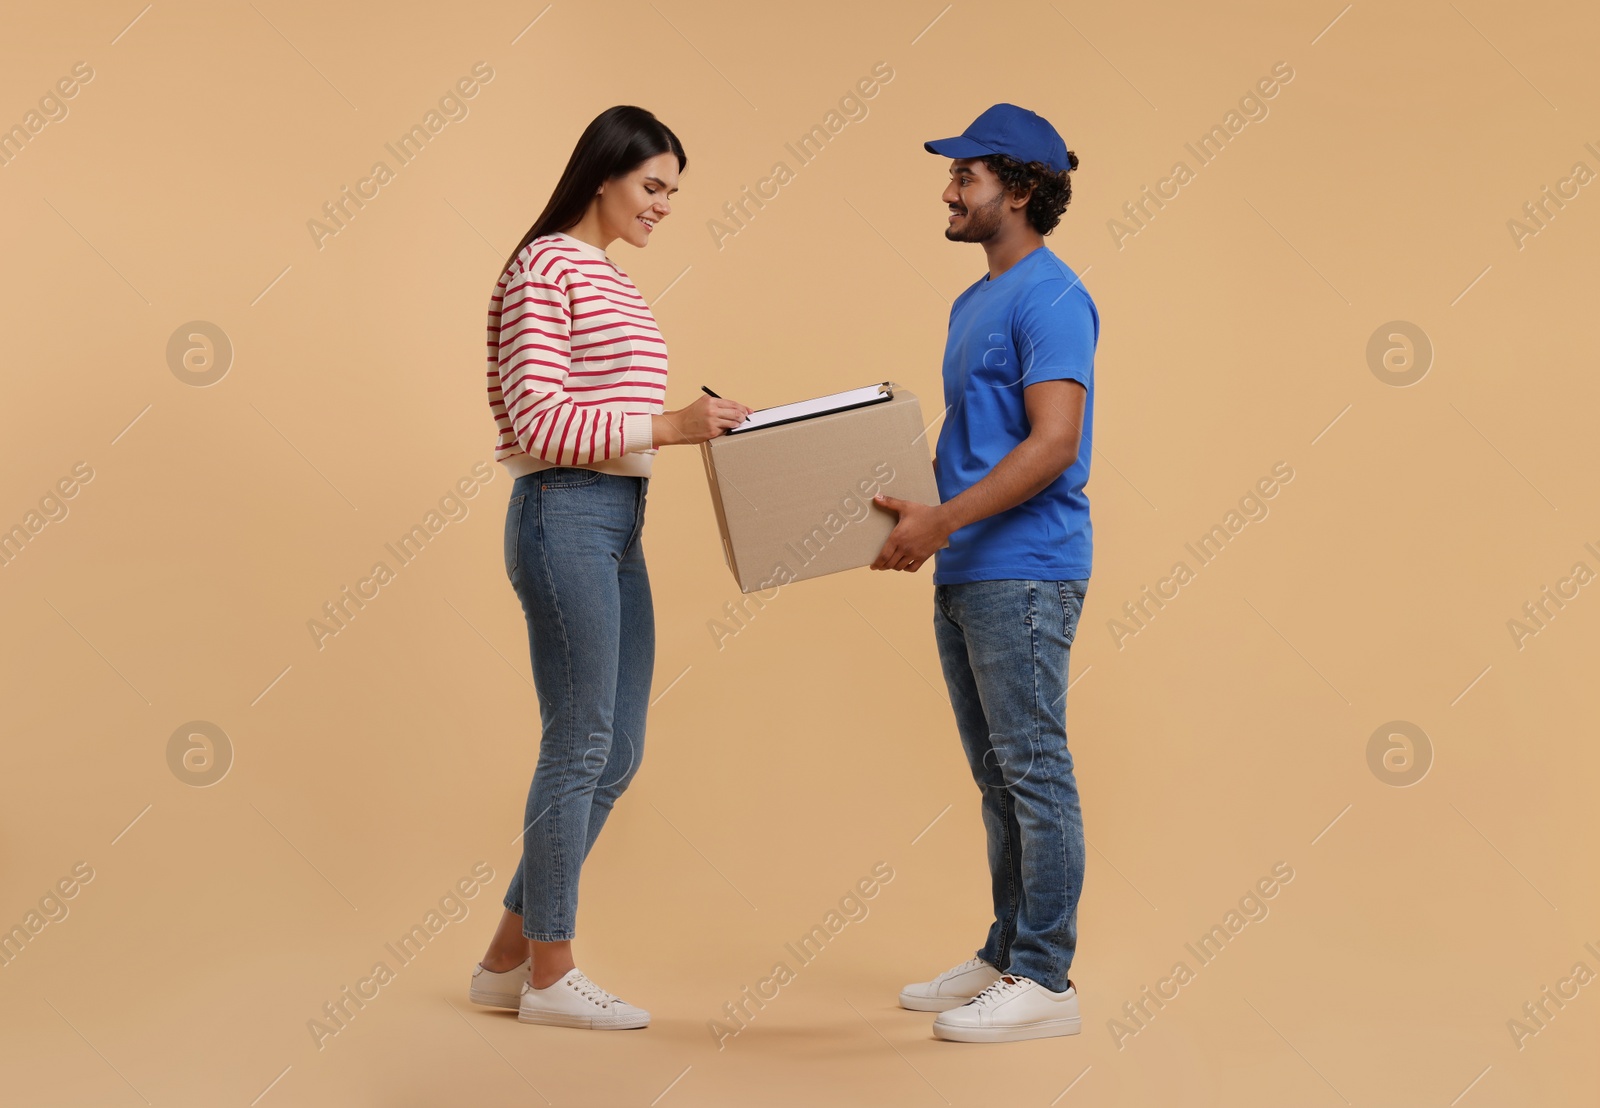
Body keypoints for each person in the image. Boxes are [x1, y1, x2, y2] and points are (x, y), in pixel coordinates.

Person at [470, 105, 751, 1030]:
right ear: (604, 174)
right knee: (580, 742)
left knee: (616, 749)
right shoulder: (543, 267)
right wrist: (670, 425)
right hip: (564, 513)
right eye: (652, 185)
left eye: (674, 191)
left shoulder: (610, 279)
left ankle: (506, 957)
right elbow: (542, 423)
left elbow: (601, 410)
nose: (664, 206)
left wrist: (690, 425)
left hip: (620, 519)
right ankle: (551, 974)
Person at [871, 103, 1099, 1043]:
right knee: (998, 776)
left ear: (1023, 189)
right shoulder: (975, 302)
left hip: (1027, 570)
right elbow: (978, 445)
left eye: (966, 176)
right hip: (965, 569)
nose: (949, 190)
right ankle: (1008, 952)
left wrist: (945, 521)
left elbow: (1053, 445)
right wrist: (897, 497)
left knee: (1035, 772)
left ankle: (1046, 980)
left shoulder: (1052, 295)